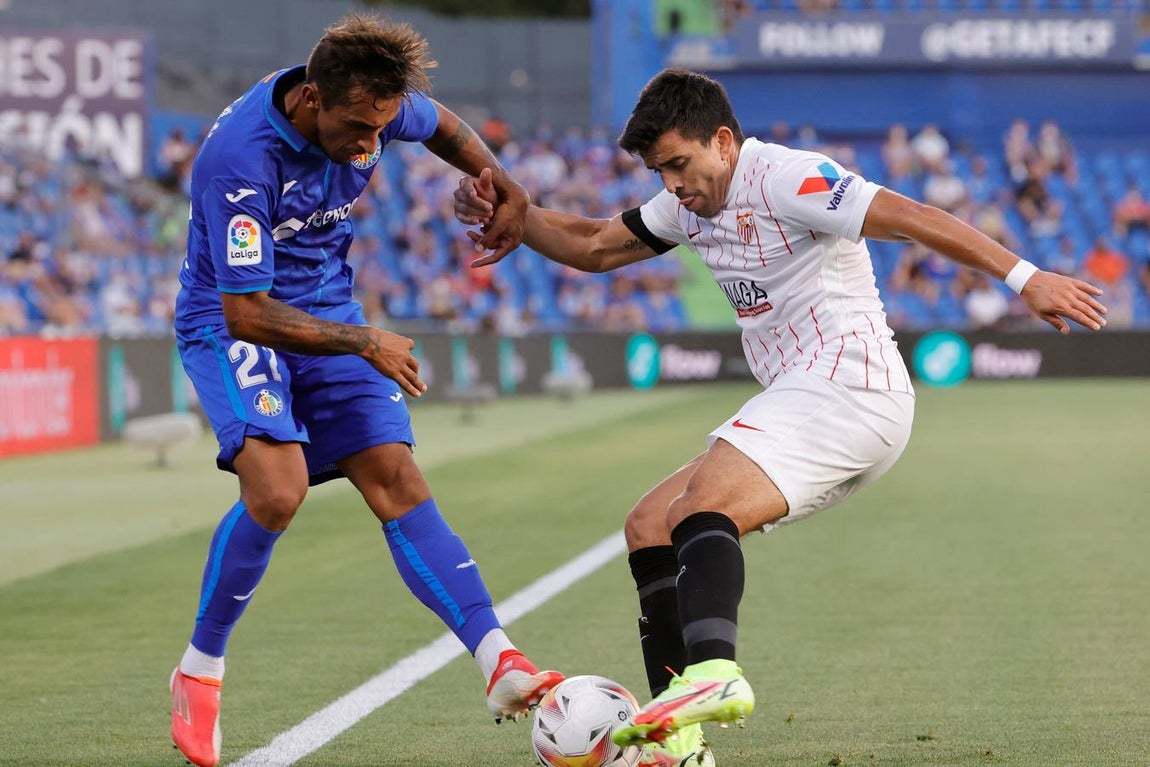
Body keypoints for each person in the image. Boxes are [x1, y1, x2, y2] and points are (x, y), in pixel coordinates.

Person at [455, 69, 1108, 766]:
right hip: (807, 396)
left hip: (851, 385)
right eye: (659, 171)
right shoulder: (685, 206)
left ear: (723, 142)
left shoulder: (788, 177)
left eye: (678, 164)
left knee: (699, 507)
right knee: (648, 525)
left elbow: (912, 217)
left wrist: (1025, 277)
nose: (672, 184)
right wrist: (518, 216)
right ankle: (679, 744)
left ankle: (716, 673)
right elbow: (592, 245)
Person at [170, 15, 562, 767]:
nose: (367, 146)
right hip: (232, 321)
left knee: (395, 474)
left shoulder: (371, 102)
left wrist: (503, 182)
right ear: (311, 99)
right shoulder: (239, 163)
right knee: (277, 491)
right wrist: (367, 341)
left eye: (380, 130)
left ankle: (500, 659)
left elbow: (441, 125)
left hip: (326, 306)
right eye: (356, 129)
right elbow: (245, 312)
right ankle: (200, 668)